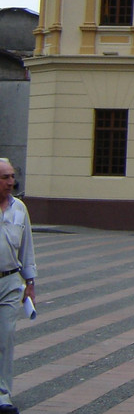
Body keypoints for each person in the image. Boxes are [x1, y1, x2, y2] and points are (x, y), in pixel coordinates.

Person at [0, 159, 35, 414]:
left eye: (12, 176)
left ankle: (3, 394)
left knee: (5, 338)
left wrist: (30, 282)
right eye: (5, 177)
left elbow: (27, 248)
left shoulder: (19, 208)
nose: (11, 182)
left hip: (11, 281)